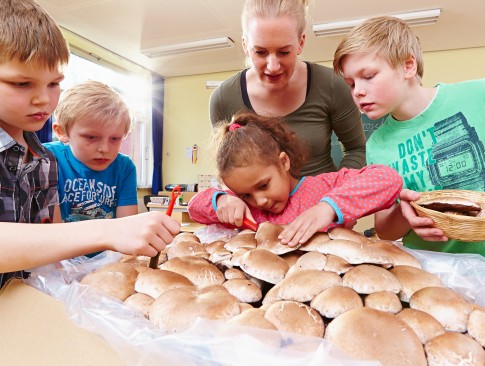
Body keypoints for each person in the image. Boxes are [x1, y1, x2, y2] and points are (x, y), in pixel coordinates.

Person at [333, 16, 485, 296]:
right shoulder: (376, 145)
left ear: (408, 66)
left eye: (369, 76)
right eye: (351, 84)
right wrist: (407, 213)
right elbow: (385, 230)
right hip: (437, 289)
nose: (358, 92)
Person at [0, 0, 180, 288]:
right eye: (22, 84)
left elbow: (51, 238)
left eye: (54, 83)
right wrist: (107, 231)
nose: (43, 100)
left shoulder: (43, 159)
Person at [188, 111, 402, 247]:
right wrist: (222, 200)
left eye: (264, 185)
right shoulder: (245, 207)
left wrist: (328, 208)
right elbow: (194, 208)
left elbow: (388, 178)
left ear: (283, 162)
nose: (259, 201)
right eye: (246, 194)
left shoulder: (324, 187)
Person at [209, 0, 366, 176]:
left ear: (301, 42)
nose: (273, 66)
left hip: (323, 199)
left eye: (284, 52)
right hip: (259, 203)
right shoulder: (223, 98)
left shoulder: (331, 85)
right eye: (260, 52)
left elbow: (357, 149)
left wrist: (333, 195)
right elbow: (227, 168)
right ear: (245, 45)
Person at [45, 80, 138, 223]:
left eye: (114, 139)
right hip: (62, 243)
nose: (104, 149)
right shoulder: (46, 158)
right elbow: (52, 231)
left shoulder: (125, 167)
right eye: (91, 137)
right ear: (62, 132)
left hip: (110, 243)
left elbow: (128, 225)